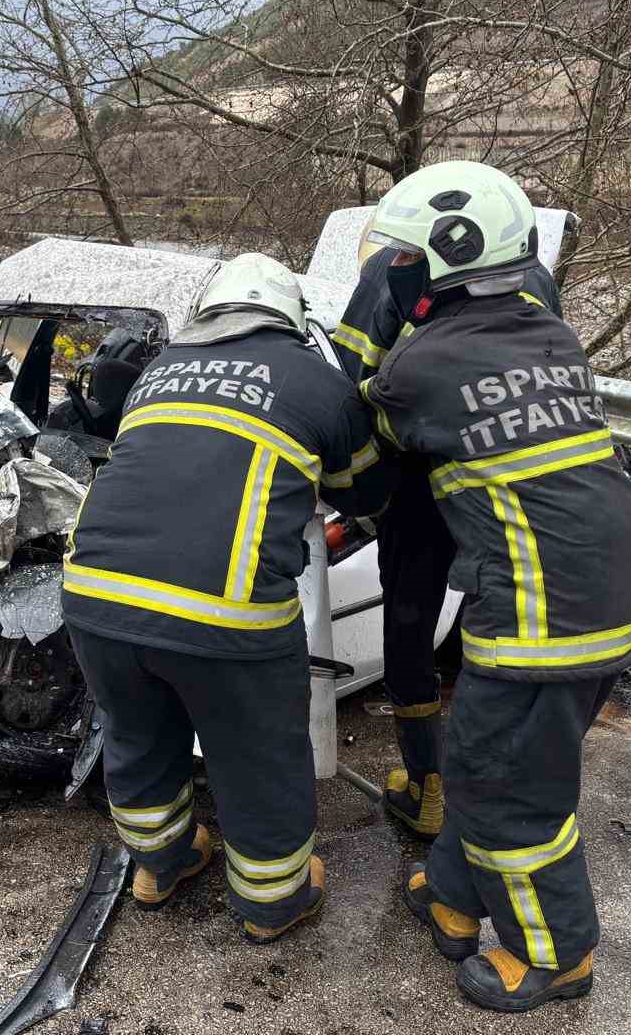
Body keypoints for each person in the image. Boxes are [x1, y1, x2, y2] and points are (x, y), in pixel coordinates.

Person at [361, 161, 631, 1012]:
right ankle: (450, 894)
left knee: (501, 782)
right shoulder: (552, 334)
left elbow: (370, 423)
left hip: (545, 615)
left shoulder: (422, 367)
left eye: (404, 261)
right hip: (611, 587)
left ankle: (558, 955)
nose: (396, 275)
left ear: (443, 264)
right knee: (499, 759)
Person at [62, 252, 393, 943]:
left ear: (208, 314)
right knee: (258, 753)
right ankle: (274, 903)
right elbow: (366, 495)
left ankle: (161, 864)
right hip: (225, 615)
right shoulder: (316, 380)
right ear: (292, 319)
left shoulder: (156, 374)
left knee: (139, 732)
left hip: (95, 596)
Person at [332, 197, 565, 842]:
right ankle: (494, 777)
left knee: (409, 618)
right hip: (507, 472)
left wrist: (361, 487)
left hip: (419, 478)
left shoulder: (387, 270)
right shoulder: (531, 271)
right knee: (501, 609)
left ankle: (427, 783)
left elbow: (354, 381)